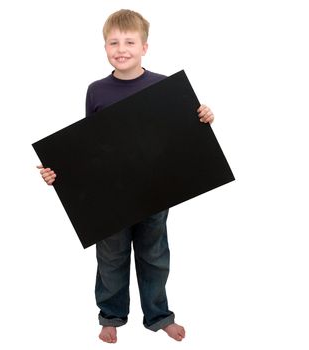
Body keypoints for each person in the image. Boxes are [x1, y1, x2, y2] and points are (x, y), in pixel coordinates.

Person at [37, 9, 215, 343]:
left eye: (130, 42)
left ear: (144, 47)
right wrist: (57, 172)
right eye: (113, 42)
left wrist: (202, 117)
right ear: (105, 47)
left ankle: (159, 316)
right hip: (110, 198)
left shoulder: (164, 87)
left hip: (154, 191)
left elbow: (180, 134)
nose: (122, 48)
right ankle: (111, 316)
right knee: (111, 257)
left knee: (154, 255)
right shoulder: (97, 91)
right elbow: (88, 147)